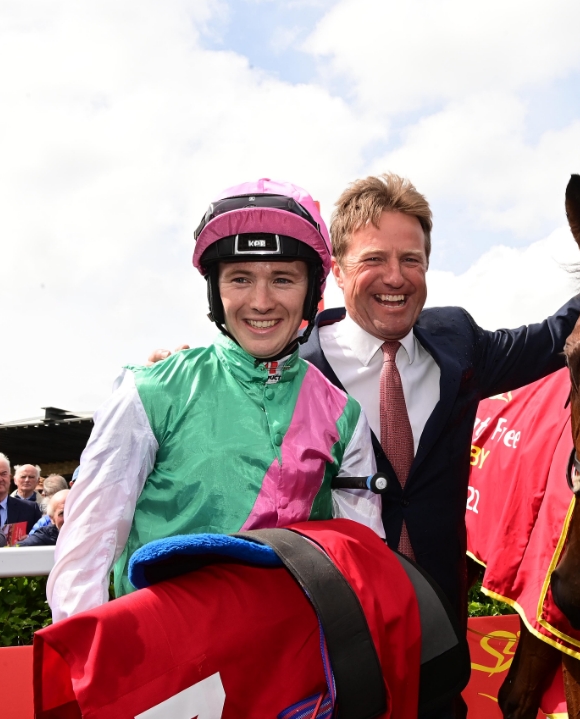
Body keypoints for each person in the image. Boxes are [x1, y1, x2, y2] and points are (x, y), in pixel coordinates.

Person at [49, 179, 381, 622]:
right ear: (215, 291)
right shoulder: (148, 393)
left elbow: (359, 557)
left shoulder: (344, 415)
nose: (261, 302)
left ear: (310, 290)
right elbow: (86, 548)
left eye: (282, 279)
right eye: (240, 278)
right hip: (169, 669)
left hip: (294, 667)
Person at [300, 174, 580, 620]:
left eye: (411, 260)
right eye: (374, 258)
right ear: (337, 270)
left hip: (440, 633)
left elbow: (555, 337)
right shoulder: (294, 367)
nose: (395, 277)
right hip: (333, 642)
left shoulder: (459, 343)